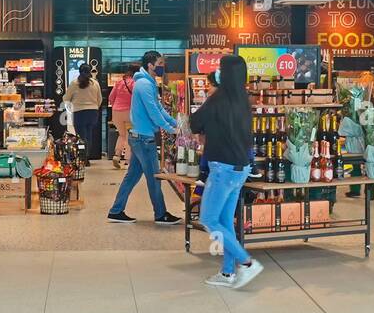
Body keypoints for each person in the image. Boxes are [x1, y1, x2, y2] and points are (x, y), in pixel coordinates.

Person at [189, 53, 263, 289]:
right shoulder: (243, 99)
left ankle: (247, 263)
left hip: (221, 168)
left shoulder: (218, 98)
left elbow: (195, 123)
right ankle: (228, 272)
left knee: (208, 218)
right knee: (224, 221)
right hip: (239, 169)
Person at [107, 51, 181, 225]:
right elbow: (153, 112)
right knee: (154, 177)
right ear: (151, 65)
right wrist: (170, 129)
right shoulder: (144, 85)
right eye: (160, 63)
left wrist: (175, 121)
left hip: (139, 136)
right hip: (143, 138)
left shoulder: (148, 83)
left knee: (131, 177)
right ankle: (161, 214)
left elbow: (159, 108)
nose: (162, 66)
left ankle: (116, 211)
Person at [107, 63, 138, 168]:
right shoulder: (135, 83)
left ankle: (117, 155)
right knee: (130, 135)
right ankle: (128, 159)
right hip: (129, 112)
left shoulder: (120, 82)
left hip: (116, 112)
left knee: (121, 135)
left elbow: (111, 97)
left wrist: (115, 105)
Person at [69, 63, 102, 158]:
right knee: (89, 135)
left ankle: (82, 158)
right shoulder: (95, 83)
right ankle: (86, 157)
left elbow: (67, 97)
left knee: (81, 137)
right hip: (92, 113)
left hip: (79, 112)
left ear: (79, 71)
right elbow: (99, 99)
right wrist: (95, 106)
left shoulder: (74, 83)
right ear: (90, 71)